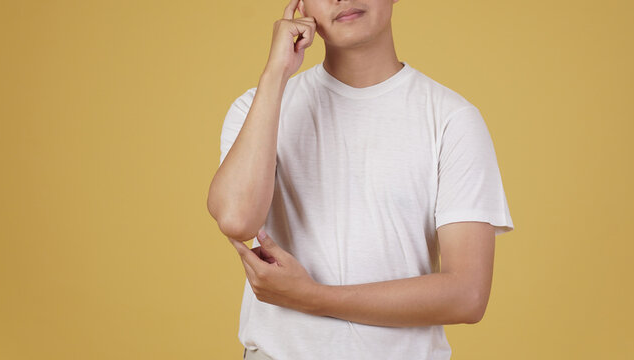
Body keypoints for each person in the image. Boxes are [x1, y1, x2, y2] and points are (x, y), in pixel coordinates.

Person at [207, 0, 514, 359]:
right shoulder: (256, 108)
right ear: (302, 4)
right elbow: (236, 219)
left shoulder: (452, 119)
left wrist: (312, 298)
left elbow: (467, 296)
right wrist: (275, 75)